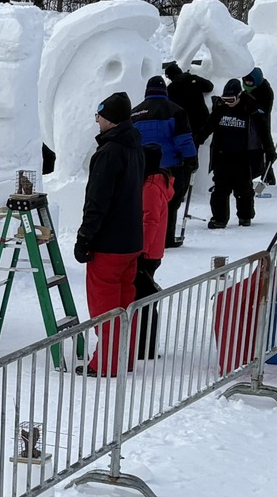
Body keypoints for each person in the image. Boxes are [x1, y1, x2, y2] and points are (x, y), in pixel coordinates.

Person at [73, 91, 144, 374]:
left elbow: (97, 201)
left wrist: (85, 237)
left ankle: (106, 363)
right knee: (126, 305)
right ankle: (124, 357)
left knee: (105, 307)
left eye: (99, 116)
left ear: (111, 120)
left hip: (109, 244)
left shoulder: (108, 152)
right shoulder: (135, 146)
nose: (97, 121)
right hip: (131, 240)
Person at [131, 75, 197, 247]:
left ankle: (142, 238)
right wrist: (191, 159)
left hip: (143, 167)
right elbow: (183, 140)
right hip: (170, 167)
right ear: (164, 91)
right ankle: (166, 239)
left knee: (144, 205)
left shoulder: (135, 113)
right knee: (169, 205)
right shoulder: (176, 111)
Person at [134, 142, 171, 358]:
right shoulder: (158, 183)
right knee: (145, 300)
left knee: (144, 301)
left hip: (147, 253)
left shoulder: (150, 187)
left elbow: (150, 221)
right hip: (152, 251)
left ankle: (145, 348)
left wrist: (141, 250)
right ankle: (144, 346)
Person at [205, 79, 258, 229]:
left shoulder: (249, 109)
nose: (228, 103)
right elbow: (208, 127)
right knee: (220, 189)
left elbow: (262, 132)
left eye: (231, 99)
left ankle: (245, 216)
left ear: (239, 96)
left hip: (242, 156)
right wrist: (196, 141)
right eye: (225, 99)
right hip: (222, 156)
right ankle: (219, 218)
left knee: (243, 189)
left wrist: (269, 150)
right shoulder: (220, 109)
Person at [243, 66, 277, 188]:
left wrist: (253, 108)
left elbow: (264, 110)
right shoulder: (245, 90)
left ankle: (267, 177)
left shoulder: (265, 91)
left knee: (263, 148)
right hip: (248, 125)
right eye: (246, 82)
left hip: (260, 124)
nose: (248, 84)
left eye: (250, 82)